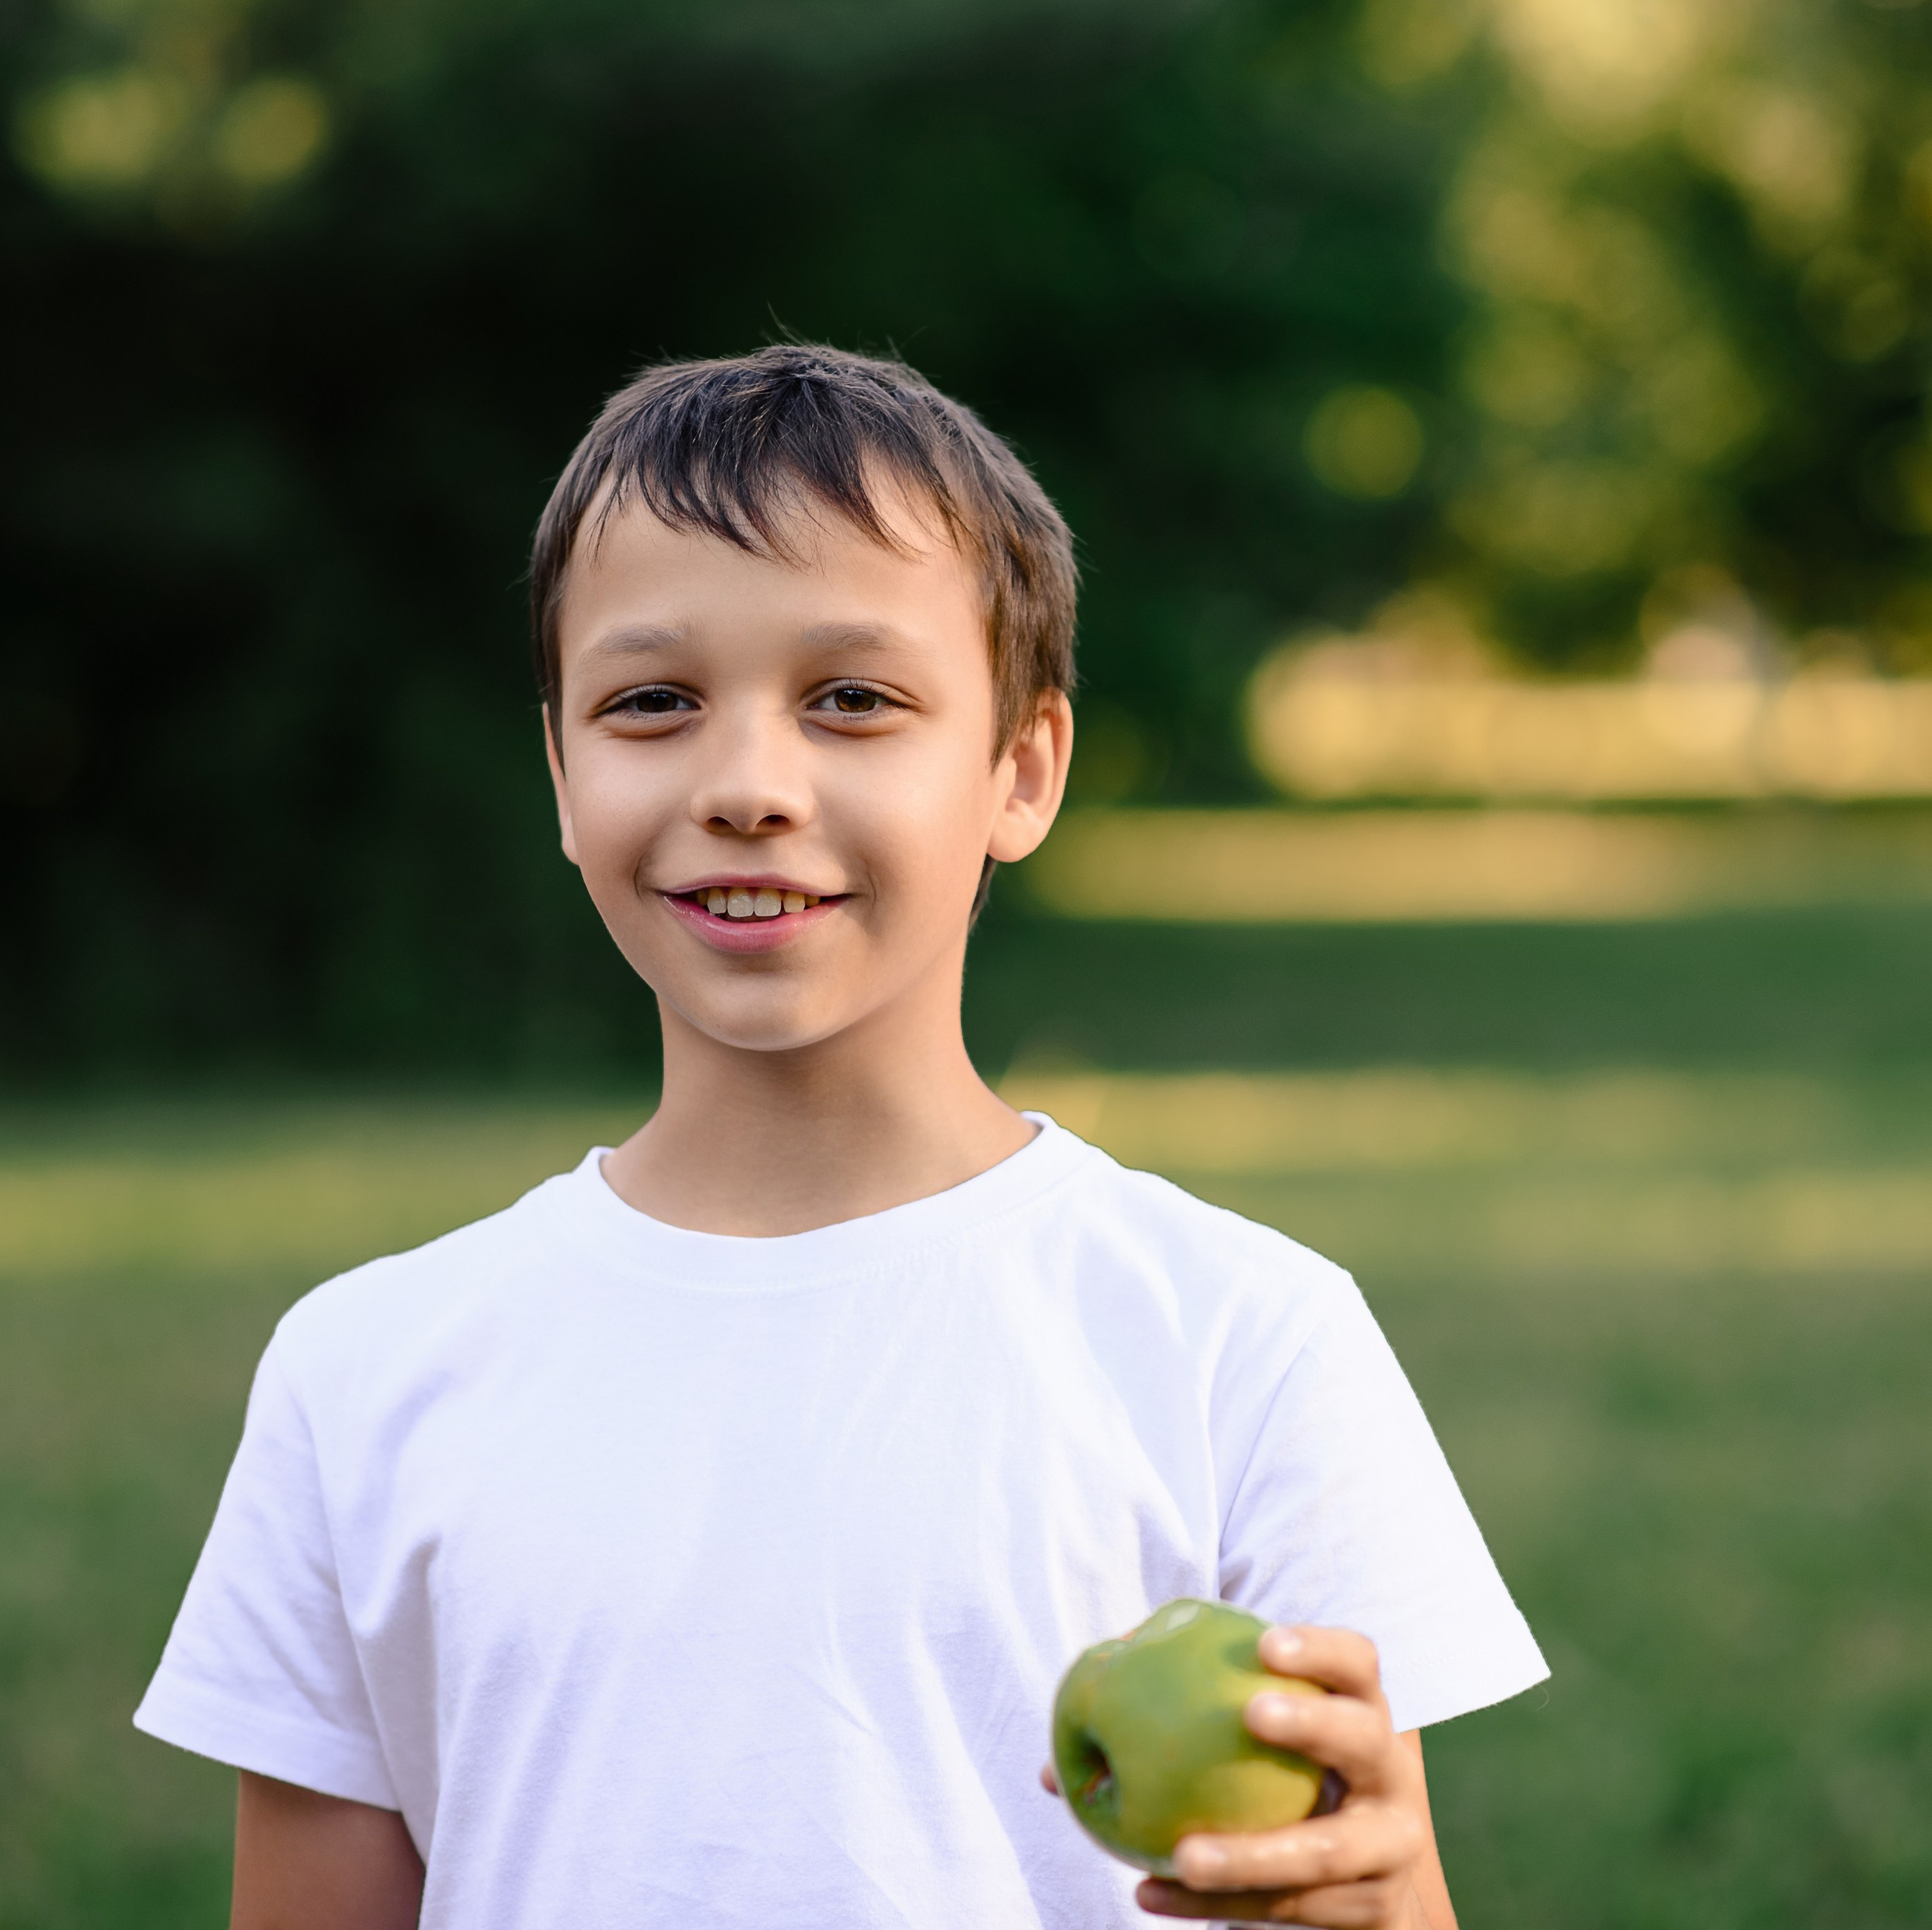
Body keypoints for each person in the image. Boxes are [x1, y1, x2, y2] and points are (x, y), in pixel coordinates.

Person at [134, 344, 1546, 1928]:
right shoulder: (363, 1372)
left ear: (1021, 770)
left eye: (853, 700)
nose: (748, 784)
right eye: (652, 702)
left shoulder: (1240, 1337)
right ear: (562, 773)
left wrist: (1379, 1894)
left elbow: (1370, 1884)